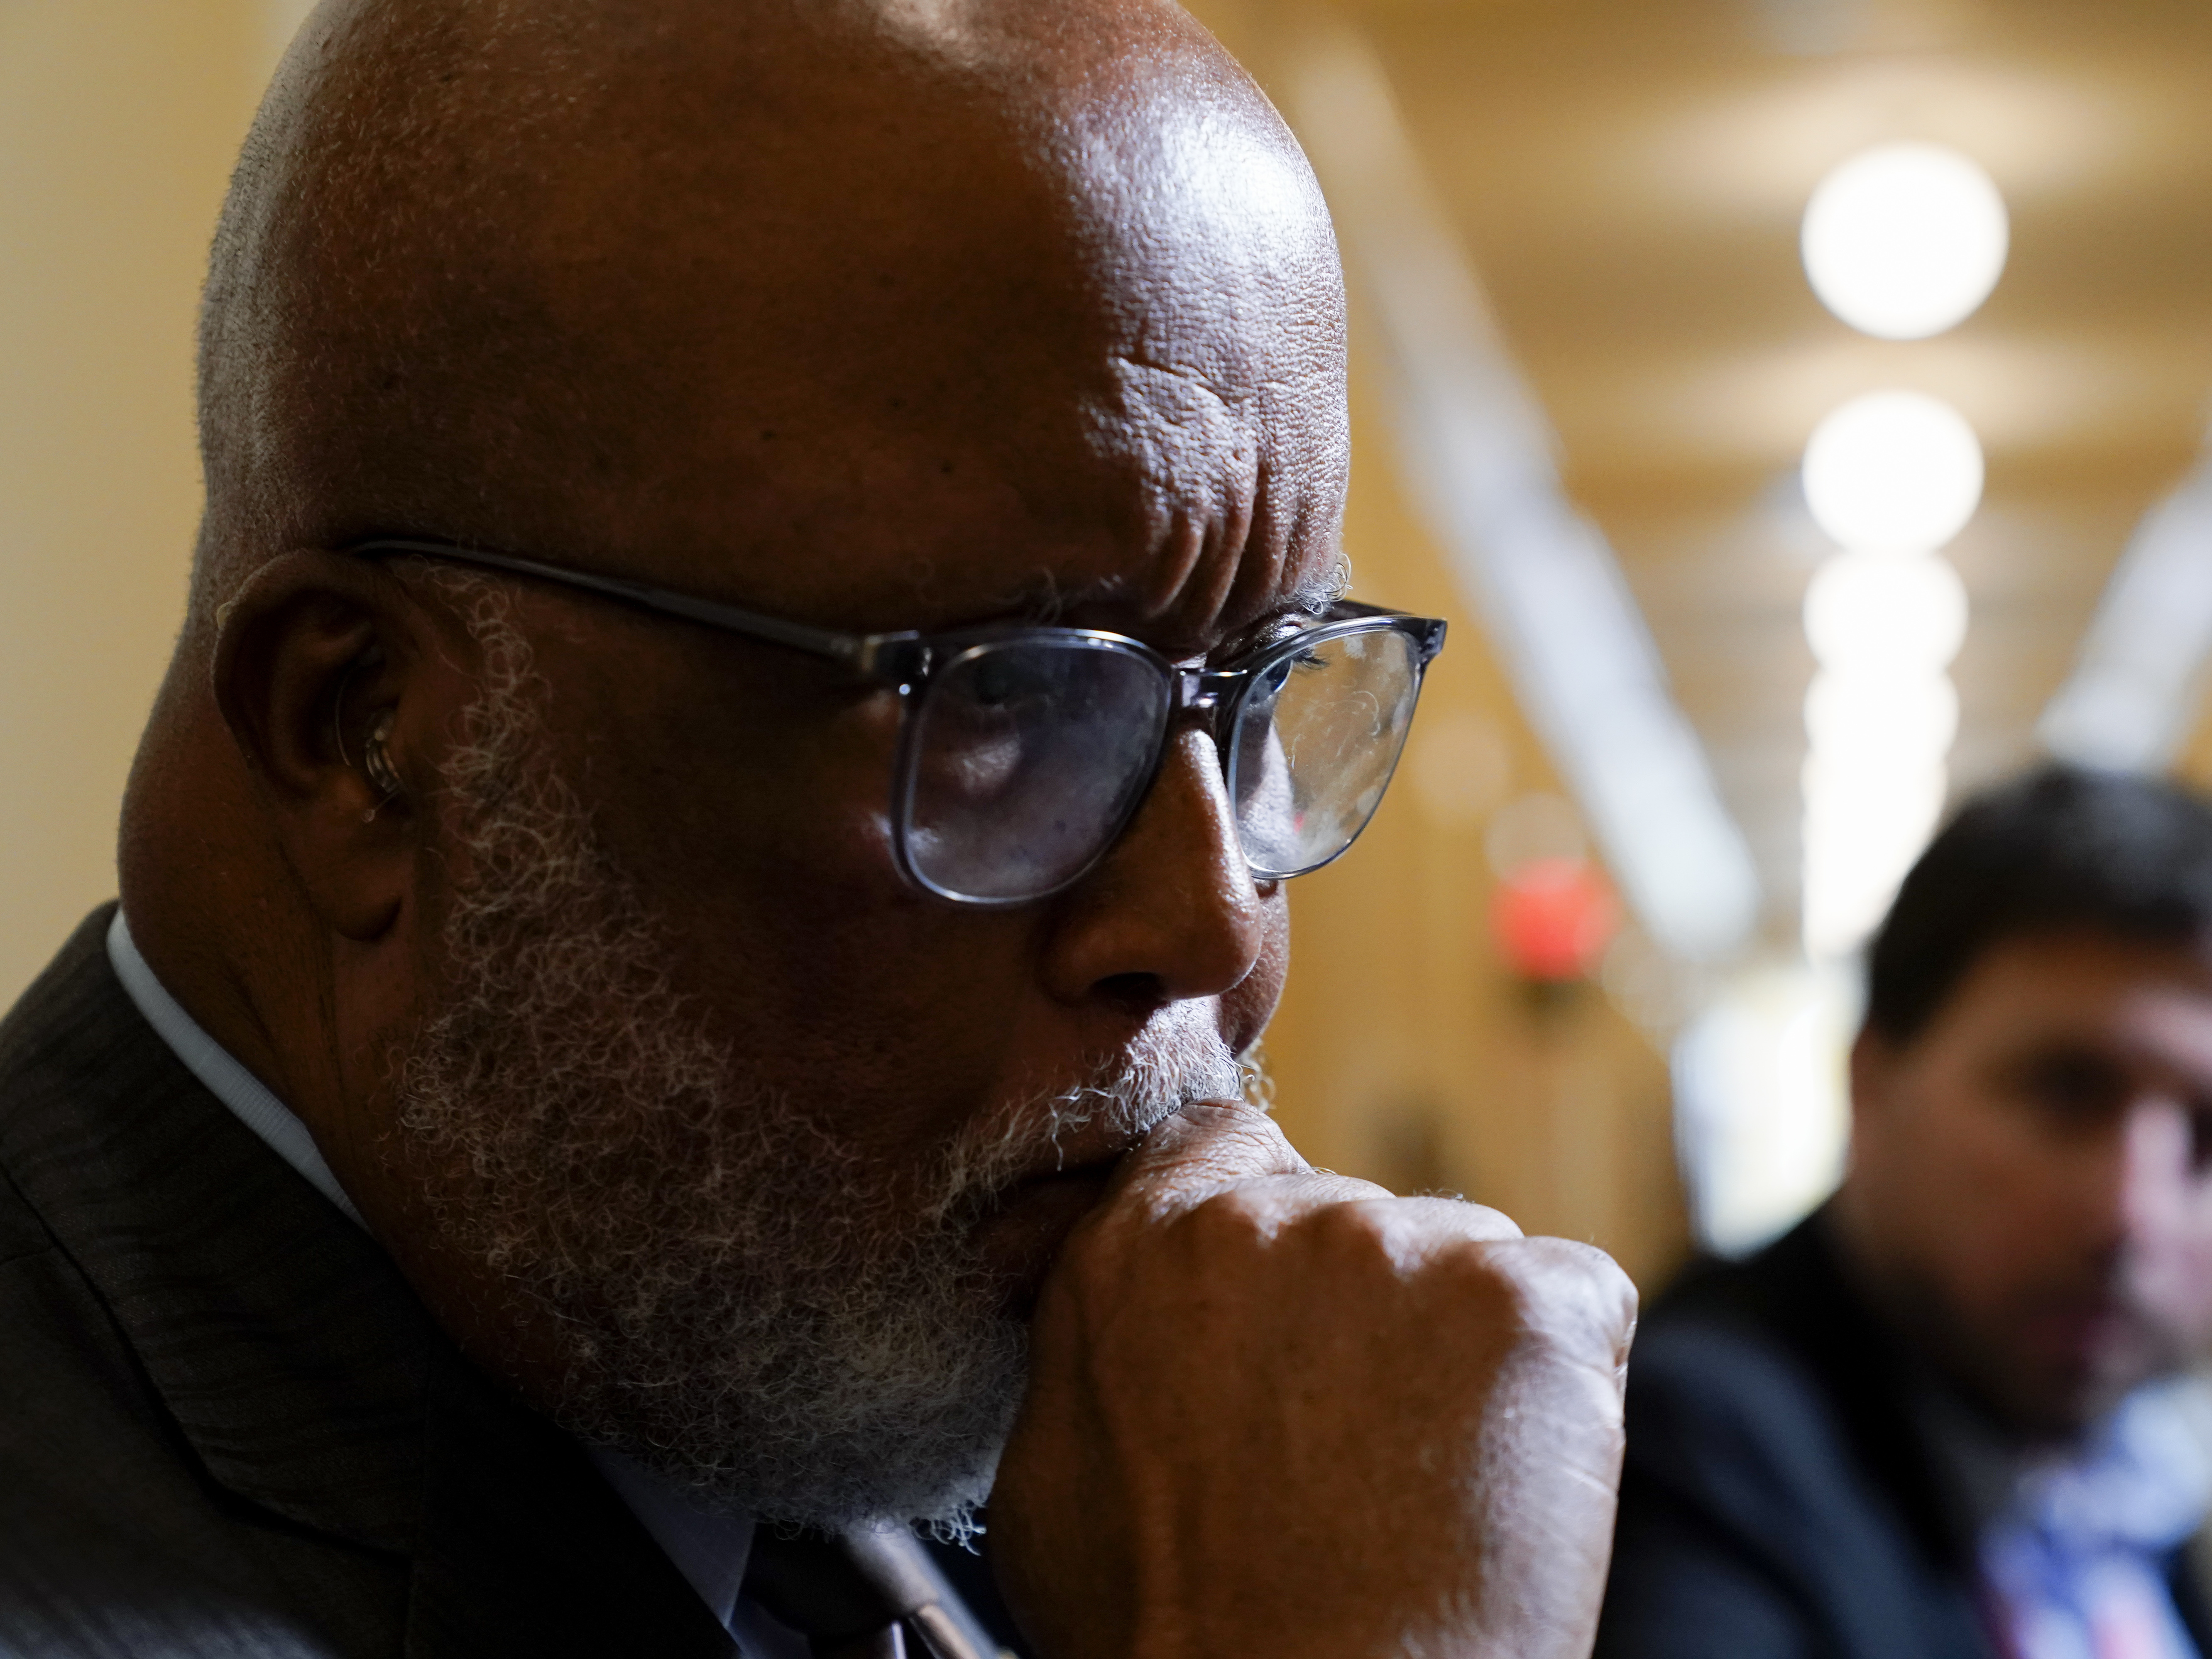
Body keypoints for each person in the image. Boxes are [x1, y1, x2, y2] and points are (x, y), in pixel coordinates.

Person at [0, 2, 1638, 1656]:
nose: (1216, 927)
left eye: (1264, 692)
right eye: (1008, 704)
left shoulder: (822, 1360)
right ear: (366, 740)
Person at [1599, 764, 2212, 1659]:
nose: (2132, 1214)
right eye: (2065, 1092)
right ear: (1872, 1081)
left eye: (2206, 1137)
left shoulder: (2133, 1454)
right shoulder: (1689, 1444)